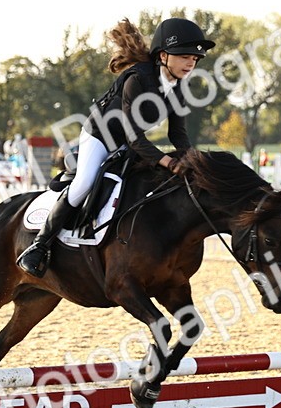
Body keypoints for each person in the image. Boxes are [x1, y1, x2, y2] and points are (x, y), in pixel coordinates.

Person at [17, 17, 215, 277]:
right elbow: (135, 137)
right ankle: (38, 246)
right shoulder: (137, 79)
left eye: (195, 59)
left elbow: (178, 134)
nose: (191, 62)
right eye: (185, 56)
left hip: (129, 144)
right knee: (85, 182)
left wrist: (192, 161)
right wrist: (168, 161)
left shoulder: (179, 87)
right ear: (164, 55)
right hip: (100, 137)